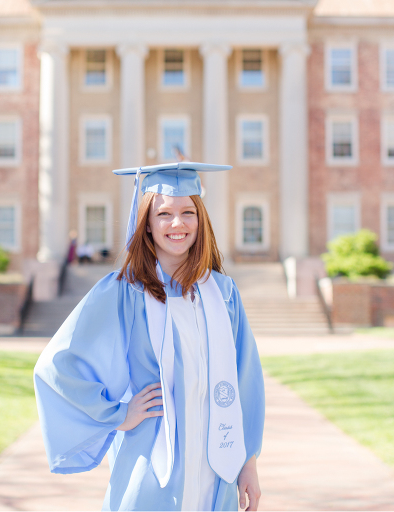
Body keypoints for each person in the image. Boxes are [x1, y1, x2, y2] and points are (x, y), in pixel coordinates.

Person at [33, 162, 265, 511]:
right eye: (164, 214)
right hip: (154, 461)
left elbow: (245, 378)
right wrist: (119, 414)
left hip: (218, 464)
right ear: (147, 224)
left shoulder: (223, 293)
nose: (177, 223)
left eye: (188, 212)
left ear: (200, 221)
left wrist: (248, 462)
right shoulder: (124, 292)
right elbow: (57, 367)